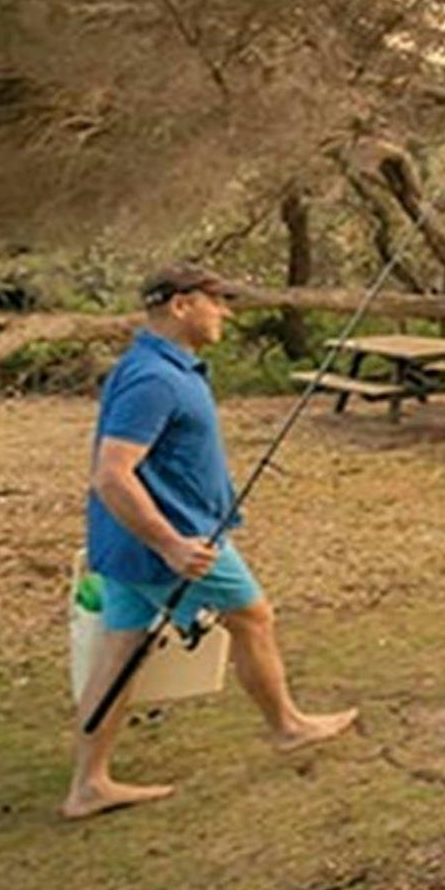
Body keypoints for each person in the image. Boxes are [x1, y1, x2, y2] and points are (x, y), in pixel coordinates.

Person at [65, 263, 357, 821]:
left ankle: (88, 783)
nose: (224, 311)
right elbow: (111, 474)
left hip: (131, 547)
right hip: (169, 547)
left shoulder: (160, 366)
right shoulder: (154, 378)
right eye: (215, 301)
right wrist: (172, 544)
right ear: (180, 305)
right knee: (253, 616)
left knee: (120, 653)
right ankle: (288, 726)